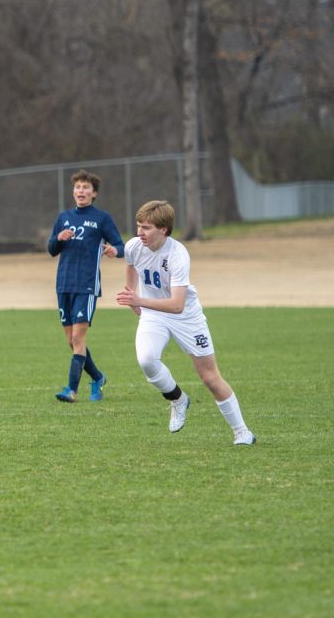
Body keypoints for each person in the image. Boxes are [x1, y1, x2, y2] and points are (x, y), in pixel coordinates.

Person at [116, 200, 256, 445]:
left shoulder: (178, 255)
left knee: (209, 377)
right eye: (138, 226)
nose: (140, 233)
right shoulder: (134, 246)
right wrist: (132, 297)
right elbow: (131, 264)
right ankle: (178, 399)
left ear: (164, 229)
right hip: (153, 313)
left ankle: (242, 432)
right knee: (146, 359)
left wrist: (139, 299)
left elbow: (177, 304)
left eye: (146, 228)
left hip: (186, 317)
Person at [47, 169, 125, 402]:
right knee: (71, 341)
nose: (80, 191)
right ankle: (98, 377)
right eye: (78, 187)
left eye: (85, 187)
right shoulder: (63, 217)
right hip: (64, 285)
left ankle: (72, 390)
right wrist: (58, 238)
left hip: (87, 285)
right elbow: (52, 250)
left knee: (79, 339)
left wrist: (114, 250)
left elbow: (120, 246)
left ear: (94, 193)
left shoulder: (102, 218)